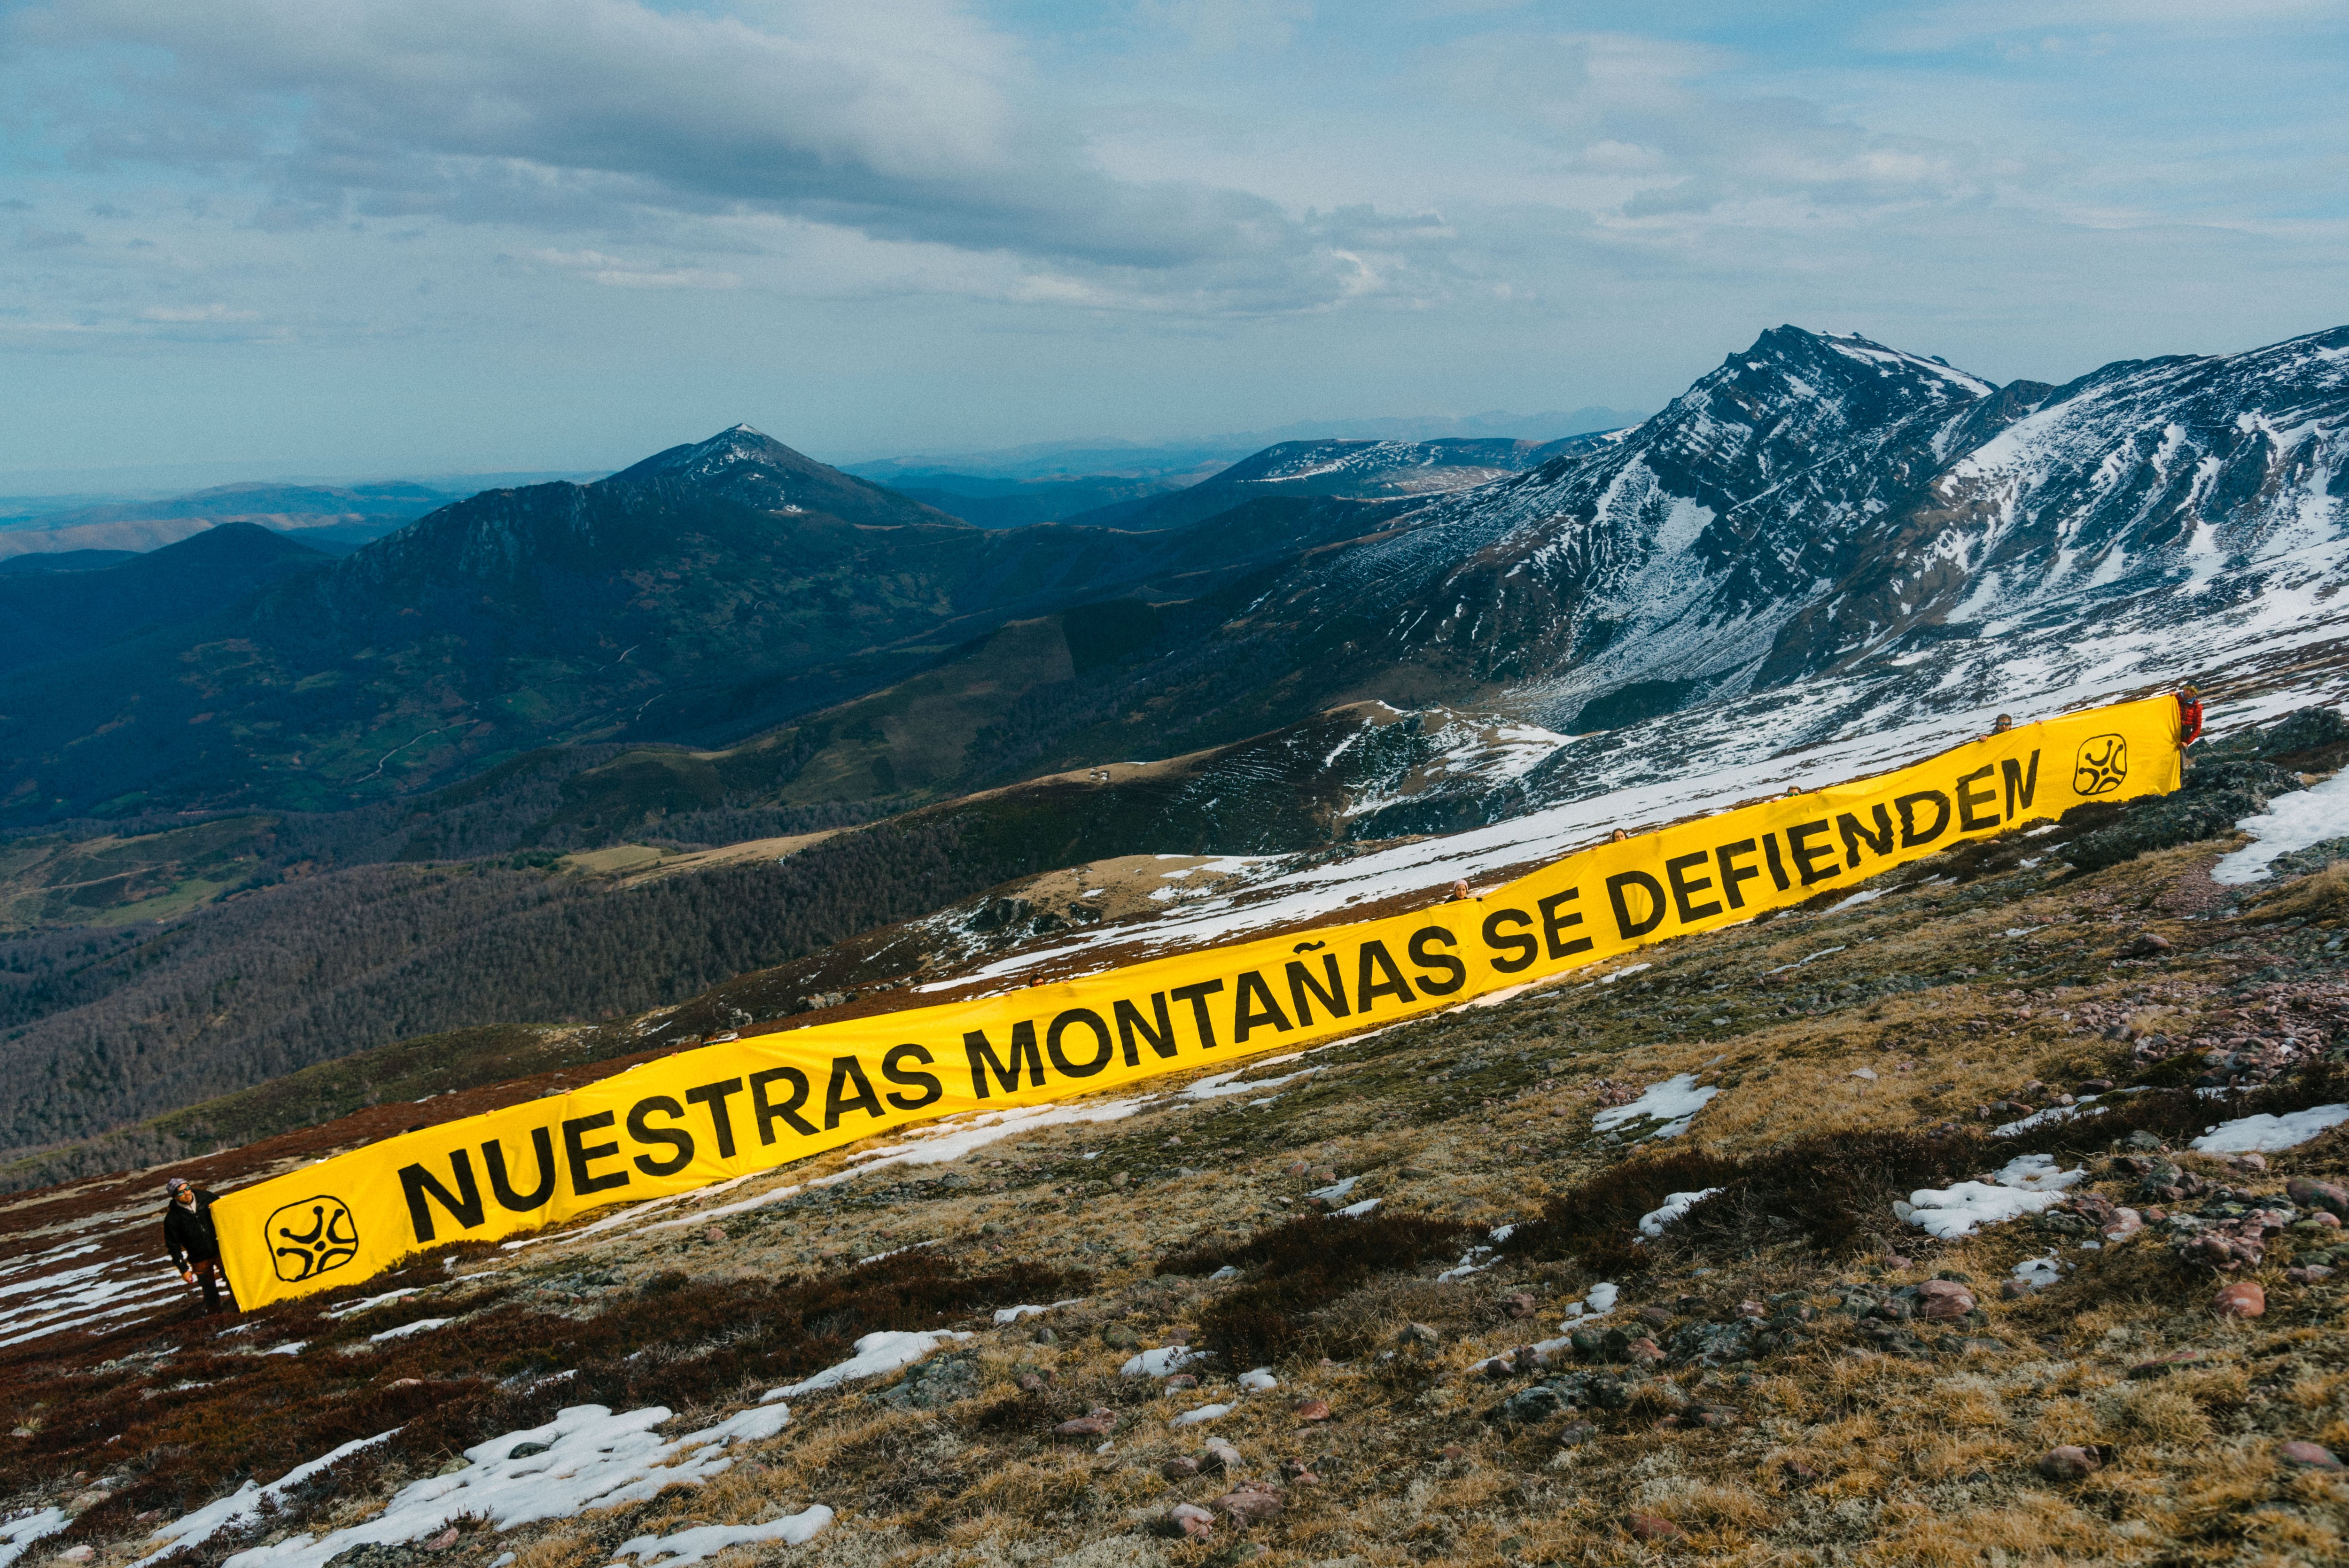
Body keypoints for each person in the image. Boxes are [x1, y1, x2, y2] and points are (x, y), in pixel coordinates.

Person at [162, 1176, 233, 1315]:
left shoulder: (207, 1198)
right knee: (209, 1289)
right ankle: (216, 1318)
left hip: (220, 1250)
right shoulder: (172, 1219)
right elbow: (173, 1246)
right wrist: (184, 1270)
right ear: (174, 1197)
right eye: (181, 1192)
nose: (187, 1193)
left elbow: (226, 1212)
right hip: (198, 1258)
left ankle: (240, 1307)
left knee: (232, 1280)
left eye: (187, 1188)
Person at [2178, 683, 2204, 748]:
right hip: (2167, 737)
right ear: (2184, 690)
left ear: (2195, 694)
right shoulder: (2174, 700)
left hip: (2183, 741)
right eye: (2187, 690)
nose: (2188, 693)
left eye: (2192, 691)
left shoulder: (2197, 708)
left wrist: (2187, 742)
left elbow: (2197, 727)